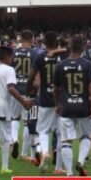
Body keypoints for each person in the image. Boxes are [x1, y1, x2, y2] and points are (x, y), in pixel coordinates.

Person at [0, 46, 32, 175]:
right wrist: (23, 101)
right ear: (8, 57)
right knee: (6, 137)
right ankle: (4, 166)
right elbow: (11, 88)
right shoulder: (10, 70)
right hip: (2, 106)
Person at [53, 36, 91, 177]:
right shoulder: (87, 64)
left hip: (66, 107)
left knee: (66, 141)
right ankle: (80, 161)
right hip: (83, 106)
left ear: (69, 48)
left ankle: (70, 173)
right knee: (86, 136)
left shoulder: (60, 65)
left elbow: (56, 88)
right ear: (83, 48)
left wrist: (57, 104)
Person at [26, 31, 64, 172]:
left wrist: (28, 90)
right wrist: (59, 50)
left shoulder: (40, 57)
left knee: (43, 131)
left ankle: (45, 152)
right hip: (61, 101)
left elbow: (31, 76)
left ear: (45, 43)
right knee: (60, 134)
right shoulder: (63, 56)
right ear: (57, 42)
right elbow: (74, 50)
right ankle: (59, 168)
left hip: (45, 99)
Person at [12, 30, 38, 160]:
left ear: (20, 39)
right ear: (32, 40)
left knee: (14, 119)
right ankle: (24, 152)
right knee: (28, 122)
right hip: (29, 91)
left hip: (15, 91)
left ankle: (15, 139)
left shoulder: (13, 53)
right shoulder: (34, 53)